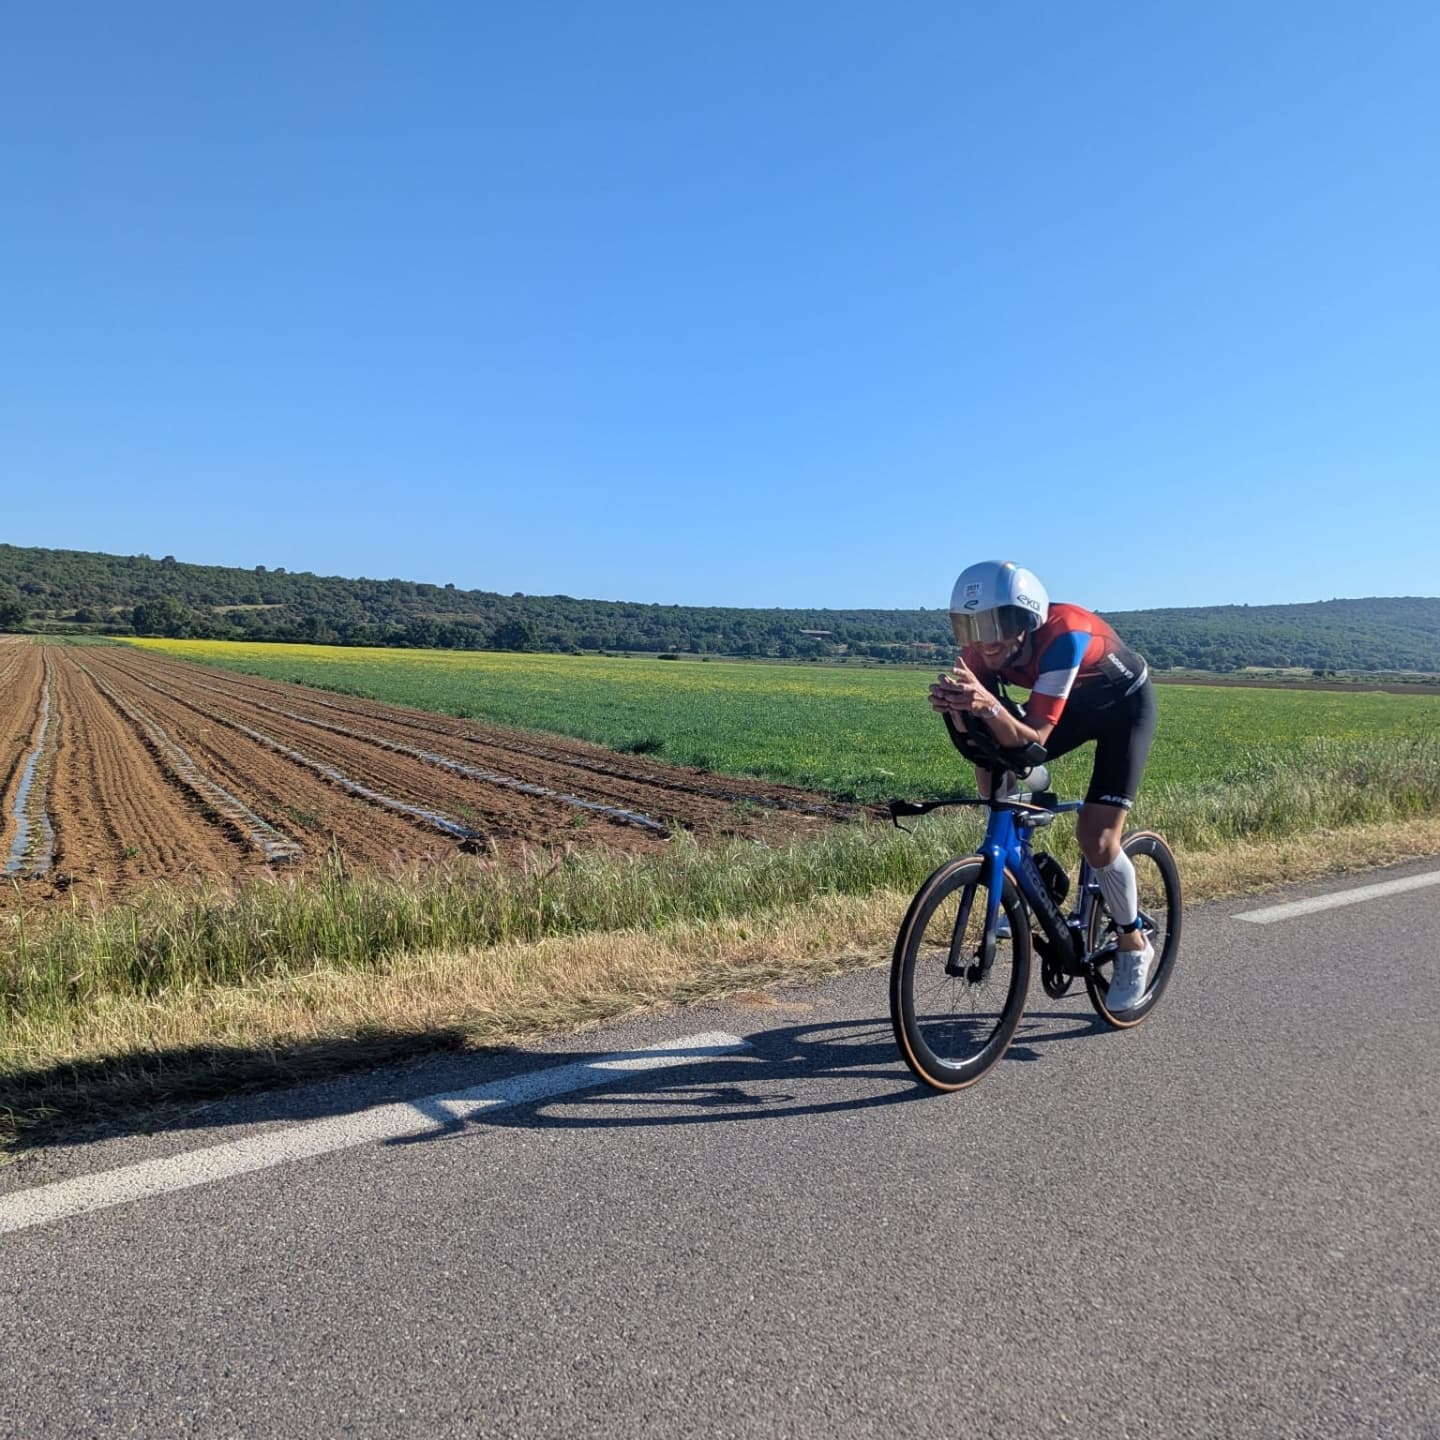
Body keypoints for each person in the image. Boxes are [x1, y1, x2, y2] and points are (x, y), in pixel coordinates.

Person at [928, 560, 1158, 1011]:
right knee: (993, 769)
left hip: (1122, 710)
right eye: (971, 626)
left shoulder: (1064, 634)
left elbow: (1034, 737)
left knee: (1097, 838)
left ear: (1026, 620)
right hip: (1068, 706)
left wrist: (990, 707)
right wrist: (959, 711)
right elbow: (986, 745)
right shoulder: (977, 655)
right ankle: (1029, 871)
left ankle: (1133, 943)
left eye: (995, 624)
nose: (984, 639)